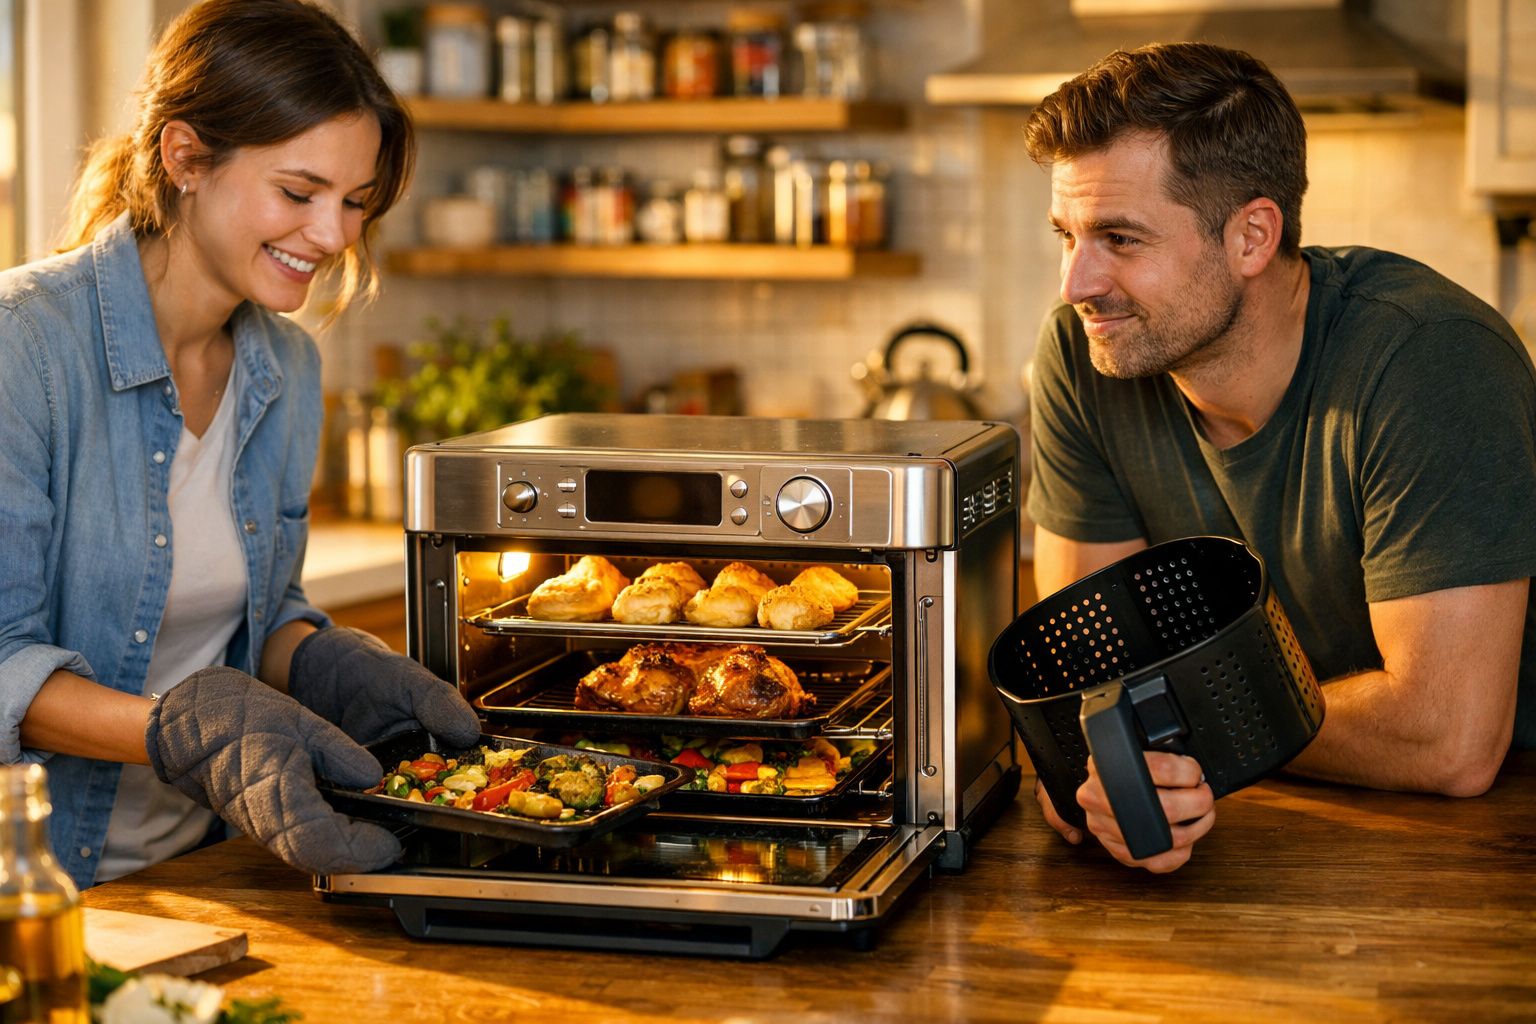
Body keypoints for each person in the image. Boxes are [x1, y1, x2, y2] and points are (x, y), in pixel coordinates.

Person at [0, 0, 481, 890]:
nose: (334, 236)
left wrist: (324, 659)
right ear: (185, 158)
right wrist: (179, 730)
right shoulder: (21, 347)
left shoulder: (286, 369)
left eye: (354, 202)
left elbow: (254, 616)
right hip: (33, 886)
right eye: (299, 193)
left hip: (202, 872)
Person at [1022, 42, 1536, 872]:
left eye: (1120, 237)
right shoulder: (1087, 354)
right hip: (1254, 817)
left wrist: (1160, 744)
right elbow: (1090, 688)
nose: (1077, 282)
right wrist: (1114, 781)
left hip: (1484, 847)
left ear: (1254, 235)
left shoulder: (1432, 359)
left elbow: (1448, 739)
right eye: (1068, 235)